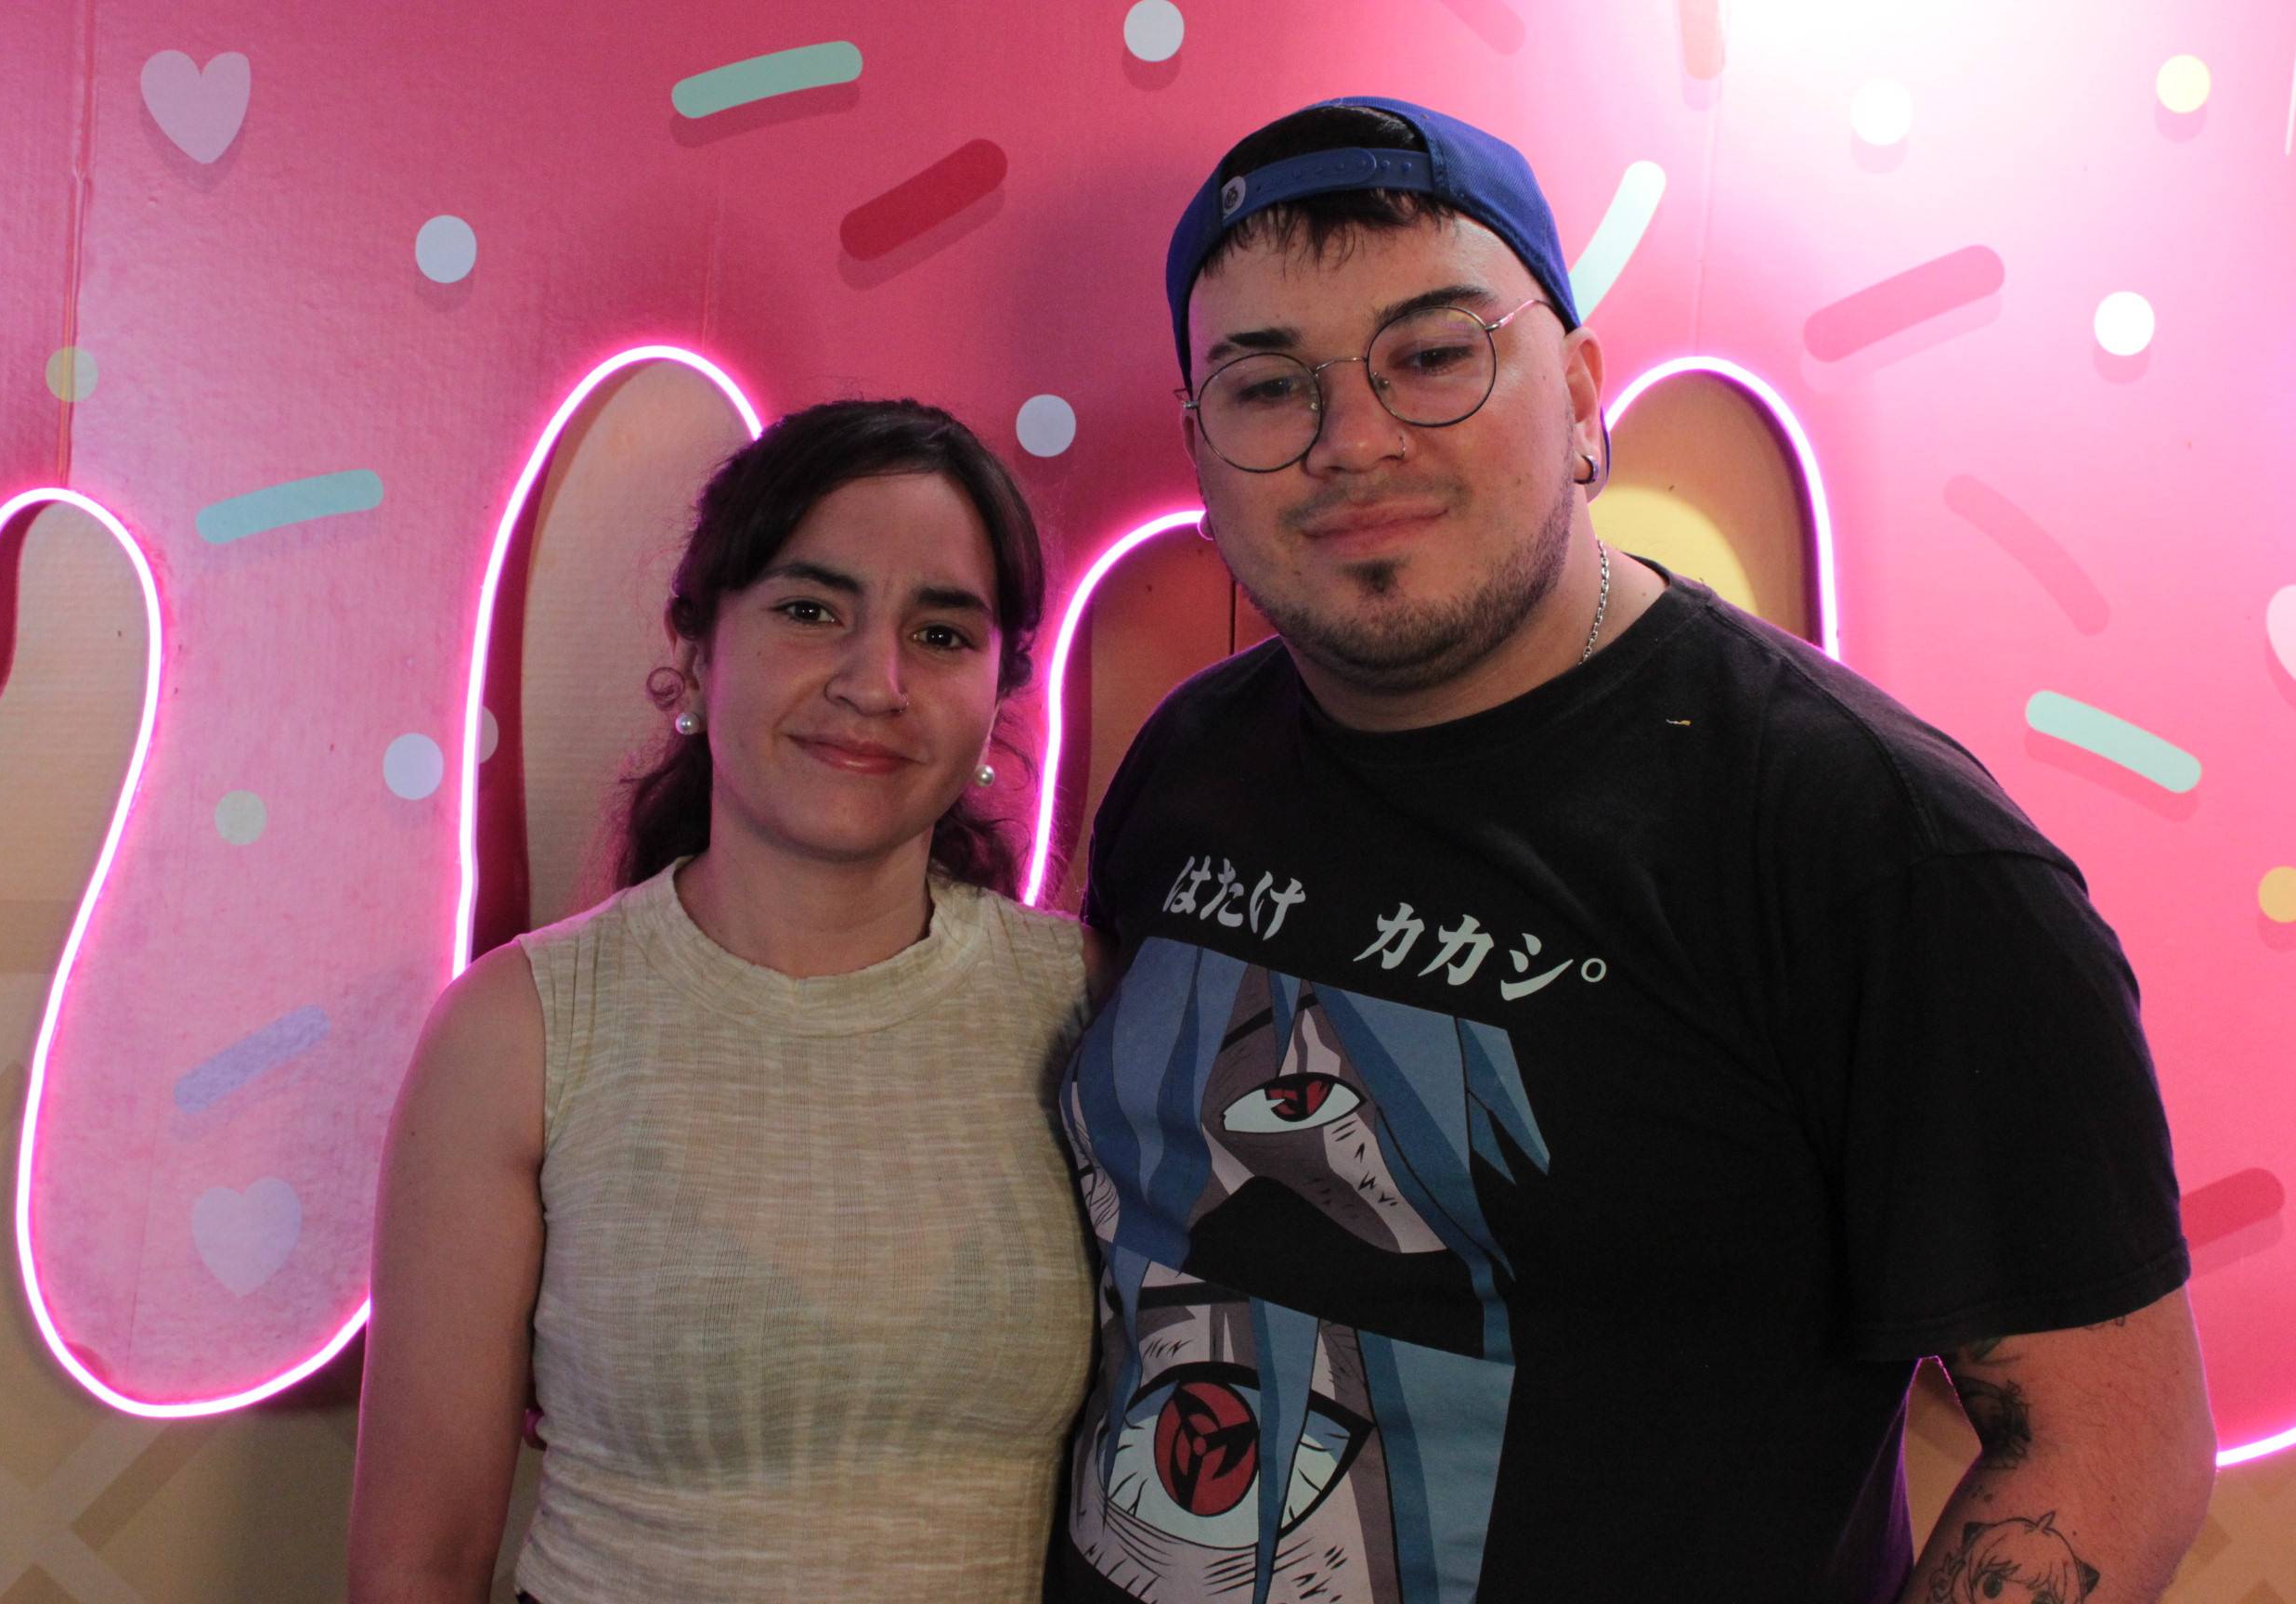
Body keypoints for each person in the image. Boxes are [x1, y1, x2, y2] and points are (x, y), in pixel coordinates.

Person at [1045, 98, 2213, 1603]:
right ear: (1202, 450)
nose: (1356, 440)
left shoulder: (1880, 850)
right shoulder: (1189, 763)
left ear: (1585, 395)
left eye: (1435, 355)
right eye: (1268, 386)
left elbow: (2110, 1453)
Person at [349, 398, 1102, 1602]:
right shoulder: (523, 1029)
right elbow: (418, 1564)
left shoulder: (1087, 1005)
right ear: (701, 648)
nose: (876, 681)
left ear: (1000, 690)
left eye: (941, 633)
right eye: (811, 611)